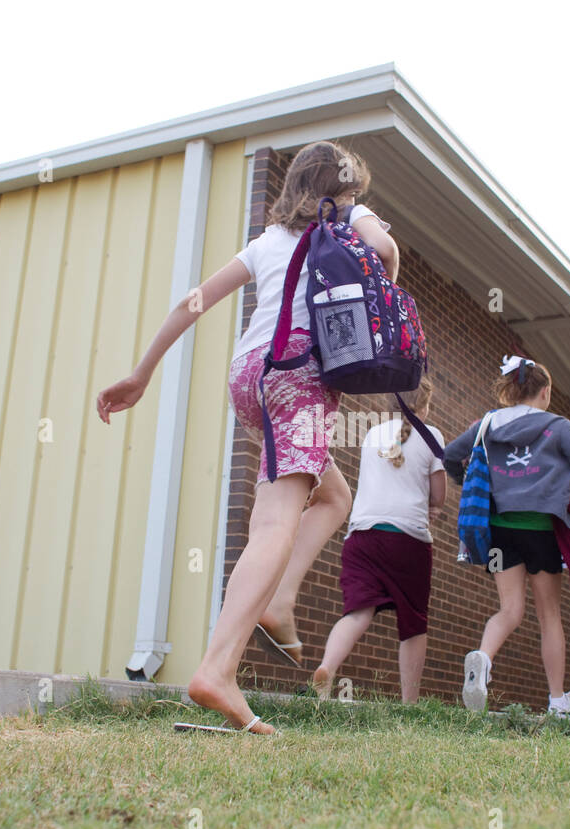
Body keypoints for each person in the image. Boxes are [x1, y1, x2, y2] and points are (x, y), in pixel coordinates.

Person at [96, 141, 396, 734]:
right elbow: (385, 252)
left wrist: (142, 371)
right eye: (353, 192)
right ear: (340, 192)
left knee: (334, 498)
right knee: (275, 524)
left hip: (251, 375)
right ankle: (217, 668)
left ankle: (279, 603)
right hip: (299, 376)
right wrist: (366, 222)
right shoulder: (347, 224)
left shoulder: (266, 242)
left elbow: (195, 301)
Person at [444, 356, 570, 717]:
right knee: (549, 616)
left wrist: (465, 479)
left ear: (512, 388)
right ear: (545, 392)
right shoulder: (558, 426)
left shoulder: (487, 424)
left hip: (500, 532)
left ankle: (482, 658)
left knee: (509, 609)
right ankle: (558, 701)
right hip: (543, 532)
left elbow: (451, 456)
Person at [312, 378, 446, 703]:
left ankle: (327, 668)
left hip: (361, 536)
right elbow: (439, 496)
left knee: (357, 611)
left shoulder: (372, 434)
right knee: (413, 621)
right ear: (425, 406)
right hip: (407, 539)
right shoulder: (432, 436)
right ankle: (409, 701)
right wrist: (433, 508)